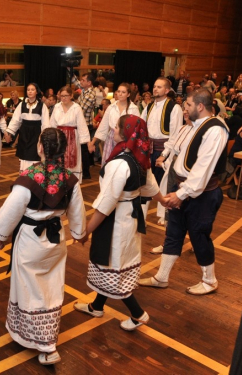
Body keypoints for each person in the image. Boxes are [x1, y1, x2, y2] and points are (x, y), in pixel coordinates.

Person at [0, 128, 86, 365]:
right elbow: (78, 215)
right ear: (63, 150)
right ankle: (47, 342)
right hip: (55, 241)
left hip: (30, 242)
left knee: (28, 289)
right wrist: (79, 234)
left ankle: (34, 339)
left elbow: (10, 212)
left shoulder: (28, 177)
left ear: (40, 147)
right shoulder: (70, 179)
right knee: (51, 289)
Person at [74, 114, 167, 331]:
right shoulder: (139, 156)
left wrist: (85, 231)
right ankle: (97, 306)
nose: (113, 130)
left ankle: (138, 314)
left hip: (117, 221)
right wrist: (164, 201)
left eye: (117, 127)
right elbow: (150, 187)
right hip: (129, 217)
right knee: (114, 263)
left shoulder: (119, 164)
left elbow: (105, 204)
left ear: (126, 133)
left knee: (113, 264)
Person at [138, 89, 229, 295]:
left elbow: (203, 168)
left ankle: (210, 280)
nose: (184, 109)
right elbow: (182, 158)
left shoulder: (215, 129)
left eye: (187, 105)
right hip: (183, 188)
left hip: (202, 193)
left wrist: (181, 194)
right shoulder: (193, 127)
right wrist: (178, 190)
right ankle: (162, 277)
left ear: (199, 106)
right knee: (174, 231)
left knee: (198, 235)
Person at [140, 78, 183, 219]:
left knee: (162, 184)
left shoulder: (174, 108)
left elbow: (175, 134)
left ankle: (163, 215)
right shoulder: (149, 106)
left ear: (166, 90)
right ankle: (142, 215)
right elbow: (141, 127)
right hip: (148, 149)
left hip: (163, 149)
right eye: (154, 86)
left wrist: (164, 155)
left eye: (159, 87)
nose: (155, 89)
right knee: (145, 181)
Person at [87, 83, 140, 167]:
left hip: (127, 140)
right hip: (112, 138)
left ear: (128, 94)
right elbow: (103, 126)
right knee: (110, 165)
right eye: (118, 91)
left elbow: (137, 128)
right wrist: (92, 142)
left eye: (123, 92)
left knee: (123, 166)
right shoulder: (111, 107)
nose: (120, 94)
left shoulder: (133, 108)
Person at [6, 83, 50, 172]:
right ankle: (24, 176)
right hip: (24, 133)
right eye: (28, 90)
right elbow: (15, 120)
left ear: (36, 91)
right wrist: (9, 133)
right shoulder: (22, 104)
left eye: (32, 90)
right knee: (24, 156)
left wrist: (44, 137)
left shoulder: (42, 105)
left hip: (36, 134)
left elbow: (45, 123)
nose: (30, 91)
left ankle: (34, 176)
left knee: (34, 155)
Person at [50, 85, 90, 179]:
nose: (63, 98)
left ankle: (71, 180)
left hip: (72, 136)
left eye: (66, 95)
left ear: (71, 95)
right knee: (58, 159)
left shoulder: (76, 108)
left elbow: (81, 125)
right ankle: (58, 179)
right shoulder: (57, 106)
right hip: (59, 136)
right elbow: (52, 123)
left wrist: (87, 142)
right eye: (62, 96)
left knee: (72, 160)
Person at [78, 73, 97, 179]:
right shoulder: (85, 91)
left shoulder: (90, 95)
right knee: (83, 149)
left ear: (89, 83)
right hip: (82, 124)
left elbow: (80, 109)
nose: (81, 82)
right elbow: (76, 82)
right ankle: (84, 170)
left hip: (86, 125)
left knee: (84, 150)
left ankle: (86, 173)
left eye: (83, 80)